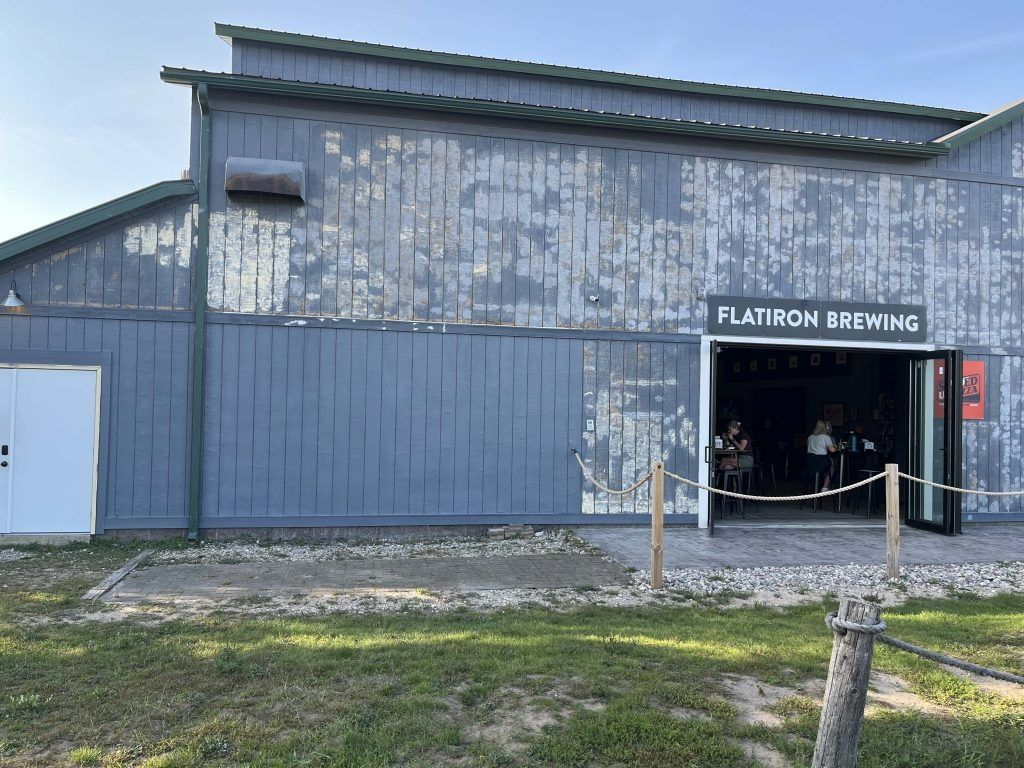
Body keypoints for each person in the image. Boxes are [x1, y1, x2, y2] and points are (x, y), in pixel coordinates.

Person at [806, 420, 837, 489]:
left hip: (810, 462)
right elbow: (832, 450)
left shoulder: (810, 437)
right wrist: (835, 446)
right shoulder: (825, 437)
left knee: (817, 469)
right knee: (832, 467)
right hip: (821, 462)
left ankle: (814, 485)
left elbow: (809, 450)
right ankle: (825, 487)